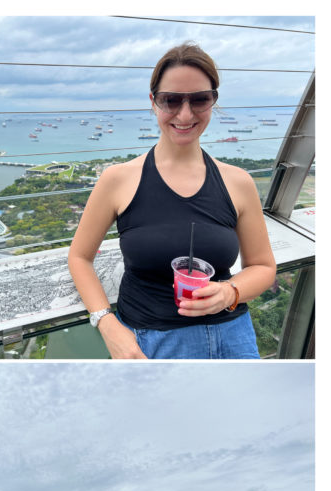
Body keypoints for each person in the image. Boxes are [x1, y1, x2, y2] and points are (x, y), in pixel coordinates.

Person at [68, 41, 276, 359]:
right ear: (153, 102)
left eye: (199, 100)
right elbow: (80, 257)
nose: (185, 114)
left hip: (232, 337)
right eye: (171, 100)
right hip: (151, 341)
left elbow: (262, 266)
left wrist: (228, 291)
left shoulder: (238, 182)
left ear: (213, 101)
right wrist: (107, 324)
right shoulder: (118, 179)